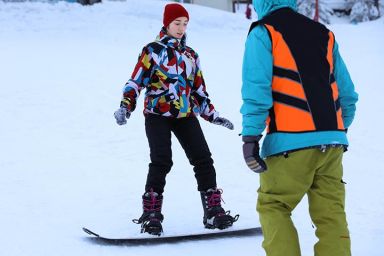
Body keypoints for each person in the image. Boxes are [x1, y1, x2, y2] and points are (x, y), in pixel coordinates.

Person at [240, 0, 358, 255]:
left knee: (274, 205)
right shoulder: (324, 34)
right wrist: (337, 130)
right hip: (333, 143)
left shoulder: (264, 32)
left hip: (288, 142)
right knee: (330, 216)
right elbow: (347, 96)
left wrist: (250, 137)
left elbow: (256, 92)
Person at [114, 3, 238, 236]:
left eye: (184, 24)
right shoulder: (152, 50)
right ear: (167, 24)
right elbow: (135, 81)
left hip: (185, 115)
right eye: (176, 23)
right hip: (157, 115)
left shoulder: (191, 55)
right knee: (161, 161)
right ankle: (151, 214)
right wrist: (125, 106)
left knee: (203, 159)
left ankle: (213, 211)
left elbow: (199, 91)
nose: (181, 28)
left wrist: (214, 116)